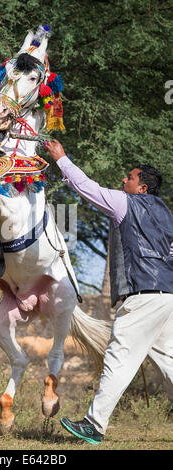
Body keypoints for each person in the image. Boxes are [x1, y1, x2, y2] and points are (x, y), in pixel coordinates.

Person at [45, 139, 173, 445]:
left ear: (142, 188)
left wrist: (62, 159)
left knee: (118, 356)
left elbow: (88, 188)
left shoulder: (125, 203)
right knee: (170, 361)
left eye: (129, 178)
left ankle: (94, 423)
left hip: (142, 296)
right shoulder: (167, 214)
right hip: (168, 297)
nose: (123, 180)